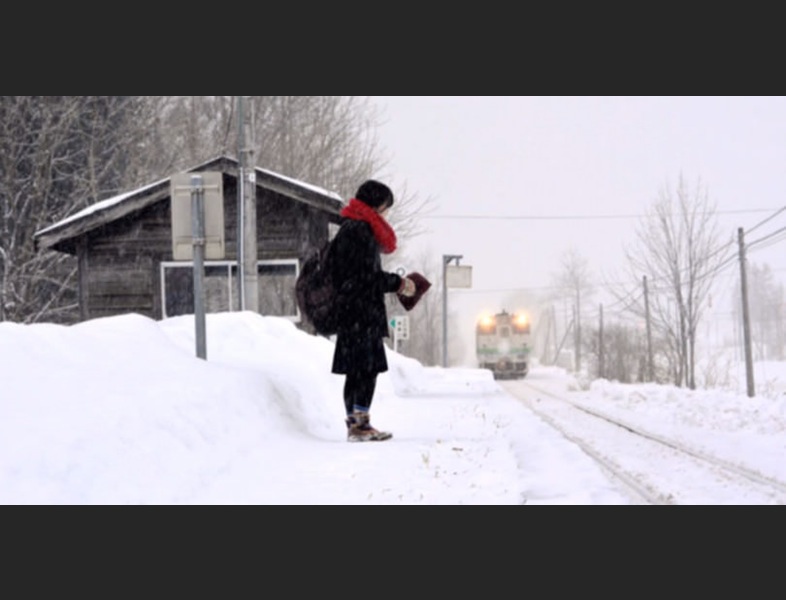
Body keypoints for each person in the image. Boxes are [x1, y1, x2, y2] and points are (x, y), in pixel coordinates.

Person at [329, 180, 416, 443]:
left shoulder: (349, 228)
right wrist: (399, 283)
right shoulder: (361, 231)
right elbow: (367, 278)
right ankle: (360, 426)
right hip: (361, 314)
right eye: (385, 207)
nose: (386, 214)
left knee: (356, 371)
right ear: (376, 205)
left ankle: (356, 426)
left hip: (350, 313)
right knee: (366, 370)